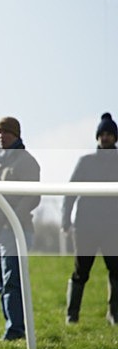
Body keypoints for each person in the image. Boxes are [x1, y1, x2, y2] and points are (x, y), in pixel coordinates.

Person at [0, 116, 41, 341]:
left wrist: (10, 219)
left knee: (12, 281)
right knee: (1, 283)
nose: (1, 136)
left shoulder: (26, 162)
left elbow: (33, 196)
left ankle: (16, 330)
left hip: (15, 231)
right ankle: (12, 326)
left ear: (16, 135)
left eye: (5, 132)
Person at [61, 113, 118, 325]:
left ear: (115, 138)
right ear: (97, 137)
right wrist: (65, 221)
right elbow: (70, 193)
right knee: (81, 272)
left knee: (116, 271)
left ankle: (114, 315)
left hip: (114, 229)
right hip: (86, 228)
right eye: (102, 134)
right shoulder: (85, 162)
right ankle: (72, 316)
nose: (105, 138)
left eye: (109, 134)